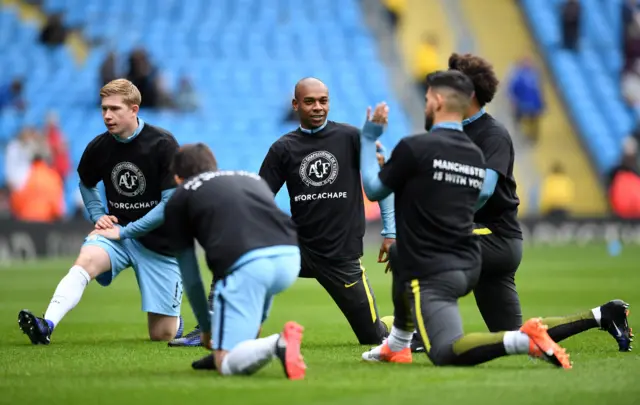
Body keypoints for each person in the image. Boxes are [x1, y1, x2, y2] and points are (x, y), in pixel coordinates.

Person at [409, 53, 632, 353]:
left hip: (496, 236)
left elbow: (484, 191)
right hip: (483, 238)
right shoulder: (452, 130)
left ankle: (420, 338)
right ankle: (602, 315)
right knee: (519, 338)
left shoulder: (492, 134)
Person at [359, 71, 571, 368]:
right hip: (469, 263)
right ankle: (397, 344)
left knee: (445, 351)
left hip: (434, 265)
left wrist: (369, 138)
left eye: (427, 100)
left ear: (438, 101)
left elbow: (372, 188)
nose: (425, 106)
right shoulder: (474, 155)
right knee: (400, 252)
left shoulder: (415, 147)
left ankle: (524, 339)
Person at [171, 77, 397, 347]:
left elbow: (380, 182)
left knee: (372, 337)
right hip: (296, 248)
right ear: (295, 104)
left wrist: (390, 231)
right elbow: (260, 194)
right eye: (310, 101)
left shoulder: (351, 137)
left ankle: (404, 325)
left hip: (341, 256)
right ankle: (208, 328)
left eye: (323, 101)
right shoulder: (283, 148)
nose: (317, 107)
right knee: (234, 254)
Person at [18, 79, 184, 344]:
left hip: (160, 243)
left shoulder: (163, 144)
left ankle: (174, 321)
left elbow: (169, 205)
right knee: (86, 260)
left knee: (161, 334)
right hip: (116, 234)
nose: (107, 115)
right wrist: (97, 215)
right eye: (104, 108)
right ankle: (45, 324)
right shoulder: (99, 147)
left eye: (115, 109)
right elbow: (86, 182)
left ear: (134, 109)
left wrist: (126, 230)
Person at [164, 143, 306, 379]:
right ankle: (245, 343)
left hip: (250, 266)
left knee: (225, 365)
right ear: (214, 166)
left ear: (178, 178)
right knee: (248, 328)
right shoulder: (249, 178)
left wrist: (206, 329)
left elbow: (191, 277)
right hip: (290, 256)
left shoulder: (180, 196)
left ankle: (277, 344)